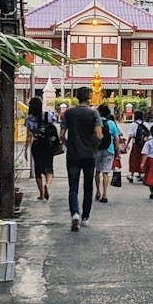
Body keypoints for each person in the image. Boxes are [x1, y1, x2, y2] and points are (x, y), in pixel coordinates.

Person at [60, 88, 102, 232]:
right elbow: (98, 134)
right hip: (89, 154)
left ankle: (75, 213)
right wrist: (94, 146)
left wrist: (68, 144)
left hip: (73, 154)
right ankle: (85, 217)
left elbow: (62, 134)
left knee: (73, 187)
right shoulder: (93, 113)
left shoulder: (69, 113)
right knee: (88, 186)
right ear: (89, 97)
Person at [24, 97, 58, 201]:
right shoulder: (48, 115)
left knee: (38, 170)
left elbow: (29, 136)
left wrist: (26, 149)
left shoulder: (29, 119)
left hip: (37, 145)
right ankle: (47, 184)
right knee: (49, 167)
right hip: (48, 144)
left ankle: (41, 194)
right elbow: (53, 126)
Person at [95, 104, 122, 204]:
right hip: (109, 149)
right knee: (105, 172)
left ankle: (97, 191)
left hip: (96, 149)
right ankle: (105, 194)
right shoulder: (111, 123)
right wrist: (117, 152)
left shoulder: (95, 122)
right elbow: (116, 138)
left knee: (97, 171)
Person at [126, 110, 153, 184]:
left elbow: (131, 135)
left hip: (136, 144)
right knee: (143, 158)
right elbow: (149, 134)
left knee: (134, 159)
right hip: (144, 145)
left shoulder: (133, 124)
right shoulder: (145, 124)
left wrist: (127, 144)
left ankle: (131, 175)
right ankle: (142, 174)